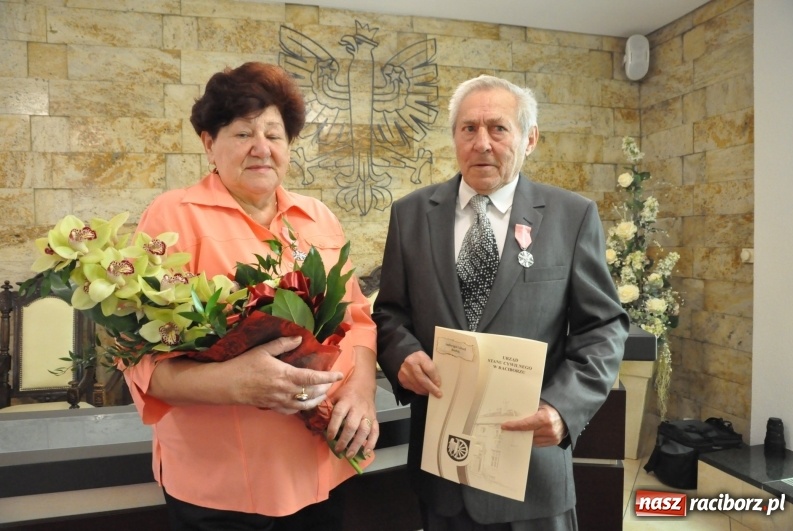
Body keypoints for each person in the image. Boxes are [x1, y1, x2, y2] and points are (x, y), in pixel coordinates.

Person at [123, 62, 379, 530]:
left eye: (274, 134)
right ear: (208, 143)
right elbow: (136, 359)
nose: (262, 148)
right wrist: (233, 382)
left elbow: (358, 321)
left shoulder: (317, 218)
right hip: (222, 485)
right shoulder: (173, 218)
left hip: (321, 464)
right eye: (243, 133)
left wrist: (361, 394)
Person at [372, 74, 629, 530]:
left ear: (529, 139)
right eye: (468, 129)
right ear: (454, 137)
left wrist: (563, 409)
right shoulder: (410, 215)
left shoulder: (572, 216)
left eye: (498, 128)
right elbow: (390, 312)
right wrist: (403, 354)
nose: (482, 143)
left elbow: (603, 327)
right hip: (443, 470)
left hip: (532, 470)